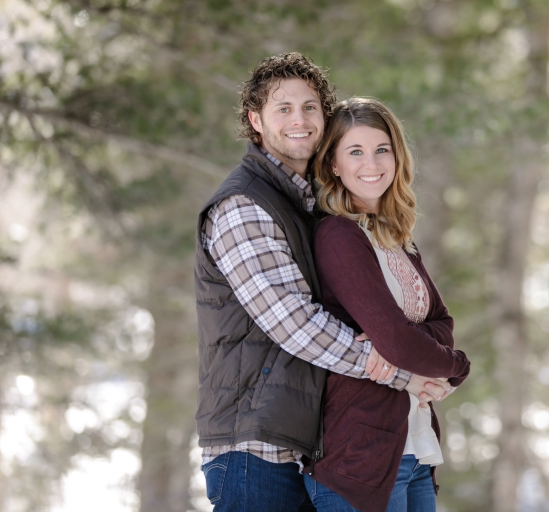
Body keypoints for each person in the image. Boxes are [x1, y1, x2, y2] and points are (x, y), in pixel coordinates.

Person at [194, 53, 452, 512]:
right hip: (256, 444)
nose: (300, 119)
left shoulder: (306, 206)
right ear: (256, 120)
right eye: (284, 108)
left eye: (311, 107)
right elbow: (295, 324)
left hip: (305, 438)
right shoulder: (243, 206)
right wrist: (397, 369)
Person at [303, 97, 471, 512]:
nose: (371, 163)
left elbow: (441, 322)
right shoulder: (338, 236)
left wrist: (406, 339)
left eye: (382, 150)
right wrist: (457, 366)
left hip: (413, 443)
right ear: (334, 166)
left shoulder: (395, 237)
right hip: (360, 456)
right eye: (355, 152)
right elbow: (397, 341)